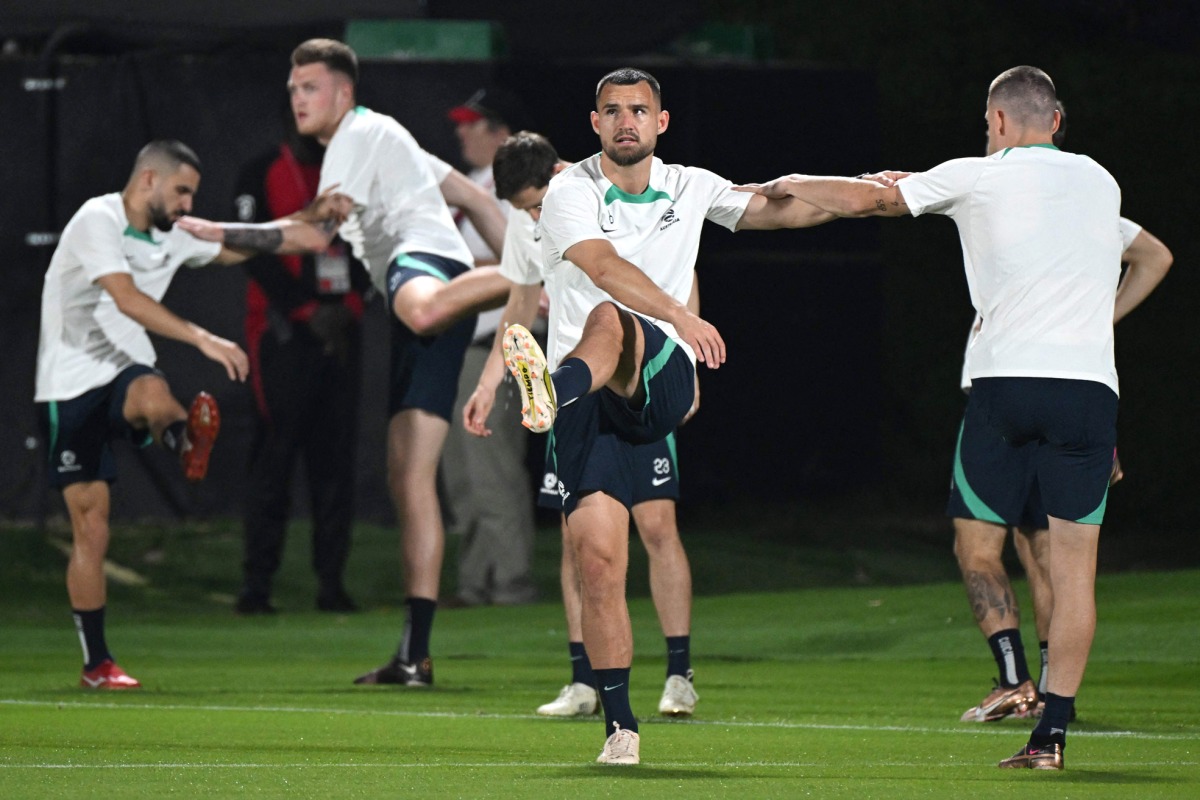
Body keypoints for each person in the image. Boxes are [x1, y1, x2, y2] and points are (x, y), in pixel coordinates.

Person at [739, 65, 1135, 771]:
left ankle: (1010, 678)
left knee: (978, 542)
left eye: (988, 125)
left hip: (1007, 383)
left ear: (1000, 121)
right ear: (1057, 121)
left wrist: (793, 180)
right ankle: (1051, 734)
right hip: (1089, 391)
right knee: (1074, 574)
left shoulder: (977, 175)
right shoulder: (1103, 182)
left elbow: (871, 200)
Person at [495, 71, 836, 764]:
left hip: (653, 377)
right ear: (594, 122)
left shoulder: (688, 187)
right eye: (613, 110)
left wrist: (881, 193)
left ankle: (680, 670)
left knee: (657, 521)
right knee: (595, 561)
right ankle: (619, 724)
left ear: (661, 120)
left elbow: (781, 211)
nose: (626, 120)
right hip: (589, 401)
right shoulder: (568, 194)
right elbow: (586, 269)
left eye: (638, 110)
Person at [177, 38, 510, 688]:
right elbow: (476, 201)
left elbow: (311, 234)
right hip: (434, 285)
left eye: (310, 87)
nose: (297, 98)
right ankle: (414, 656)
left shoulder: (357, 134)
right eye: (293, 88)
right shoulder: (392, 141)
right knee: (408, 479)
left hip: (426, 273)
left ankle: (528, 273)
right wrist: (524, 279)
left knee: (420, 312)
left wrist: (222, 231)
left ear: (344, 92)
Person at [463, 131, 701, 718]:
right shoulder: (526, 219)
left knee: (657, 525)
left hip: (637, 377)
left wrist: (688, 360)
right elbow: (521, 305)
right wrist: (489, 383)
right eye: (523, 211)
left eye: (536, 205)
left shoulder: (608, 189)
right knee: (579, 541)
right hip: (571, 391)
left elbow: (680, 271)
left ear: (556, 175)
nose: (534, 218)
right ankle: (584, 684)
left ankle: (678, 674)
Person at [953, 101, 1173, 724]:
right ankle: (1050, 697)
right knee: (1048, 553)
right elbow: (1156, 256)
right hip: (1074, 396)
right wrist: (1100, 320)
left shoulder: (1006, 195)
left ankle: (1017, 683)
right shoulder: (1081, 204)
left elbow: (1155, 256)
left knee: (985, 546)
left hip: (1003, 396)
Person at [34, 140, 253, 689]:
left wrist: (313, 223)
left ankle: (185, 442)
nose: (188, 205)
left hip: (124, 369)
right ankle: (96, 664)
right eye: (182, 191)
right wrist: (203, 338)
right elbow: (127, 298)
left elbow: (239, 247)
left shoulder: (172, 234)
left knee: (152, 391)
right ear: (149, 179)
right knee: (92, 528)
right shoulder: (98, 218)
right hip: (68, 386)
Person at [231, 118, 373, 615]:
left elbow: (372, 242)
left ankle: (332, 584)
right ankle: (257, 584)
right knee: (273, 458)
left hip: (342, 331)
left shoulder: (354, 176)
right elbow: (252, 249)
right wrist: (304, 309)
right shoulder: (261, 171)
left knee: (335, 461)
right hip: (283, 334)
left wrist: (350, 305)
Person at [436, 86, 539, 607]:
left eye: (472, 124)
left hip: (499, 347)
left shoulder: (517, 186)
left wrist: (441, 268)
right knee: (463, 476)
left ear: (502, 134)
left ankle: (512, 583)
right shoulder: (473, 185)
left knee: (492, 472)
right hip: (461, 347)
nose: (461, 132)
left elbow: (525, 262)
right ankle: (476, 583)